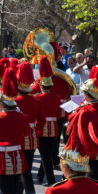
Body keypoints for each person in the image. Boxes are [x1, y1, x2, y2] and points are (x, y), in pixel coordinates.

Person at [74, 63, 98, 184]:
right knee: (95, 174)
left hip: (91, 146)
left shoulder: (85, 109)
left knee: (94, 176)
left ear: (87, 94)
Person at [33, 56, 62, 186]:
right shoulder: (57, 97)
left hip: (42, 128)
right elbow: (59, 114)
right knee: (48, 153)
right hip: (53, 127)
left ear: (41, 86)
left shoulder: (37, 98)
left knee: (45, 155)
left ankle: (51, 180)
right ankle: (40, 175)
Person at [15, 62, 43, 194]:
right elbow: (42, 121)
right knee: (28, 165)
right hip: (32, 136)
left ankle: (29, 193)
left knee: (22, 166)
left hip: (19, 136)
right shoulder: (36, 101)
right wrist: (35, 129)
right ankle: (20, 192)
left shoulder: (16, 101)